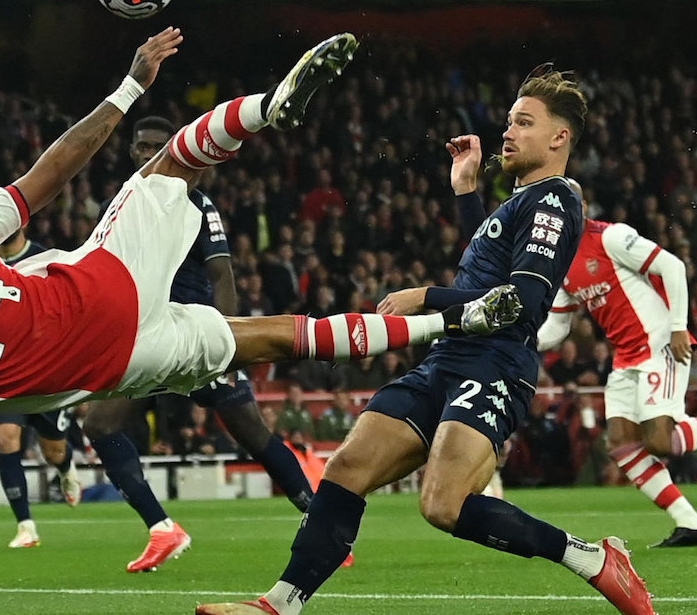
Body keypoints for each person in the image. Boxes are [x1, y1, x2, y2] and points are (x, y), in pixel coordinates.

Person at [0, 30, 519, 615]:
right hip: (100, 291)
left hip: (107, 368)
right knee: (173, 162)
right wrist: (131, 85)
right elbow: (51, 172)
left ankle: (451, 323)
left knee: (266, 336)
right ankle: (270, 107)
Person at [197, 68, 655, 615]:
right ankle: (280, 604)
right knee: (346, 468)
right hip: (448, 358)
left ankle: (593, 559)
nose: (508, 132)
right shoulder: (520, 202)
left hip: (495, 364)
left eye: (524, 123)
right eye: (509, 121)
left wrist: (426, 297)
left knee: (443, 505)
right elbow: (487, 268)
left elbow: (521, 300)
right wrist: (466, 192)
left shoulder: (553, 201)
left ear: (559, 138)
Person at [81, 116, 322, 573]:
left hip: (195, 339)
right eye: (142, 146)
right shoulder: (126, 202)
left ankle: (322, 523)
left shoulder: (196, 202)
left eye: (157, 146)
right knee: (100, 423)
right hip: (149, 339)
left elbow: (221, 275)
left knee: (253, 435)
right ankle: (161, 528)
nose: (147, 153)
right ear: (132, 151)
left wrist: (226, 343)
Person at [537, 179, 697, 547]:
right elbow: (558, 326)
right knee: (622, 444)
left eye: (569, 204)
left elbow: (672, 266)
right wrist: (522, 338)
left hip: (659, 342)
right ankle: (690, 522)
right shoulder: (560, 261)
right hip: (625, 356)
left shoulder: (611, 237)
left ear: (582, 208)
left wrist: (678, 326)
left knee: (659, 441)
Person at [0, 228, 83, 549]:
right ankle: (25, 526)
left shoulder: (44, 258)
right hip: (3, 368)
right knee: (6, 437)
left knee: (53, 451)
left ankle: (66, 467)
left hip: (46, 370)